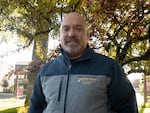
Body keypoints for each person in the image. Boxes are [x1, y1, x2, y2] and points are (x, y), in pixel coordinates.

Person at [28, 12, 138, 113]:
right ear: (60, 36)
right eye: (66, 29)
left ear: (87, 35)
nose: (71, 34)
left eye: (78, 29)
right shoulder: (45, 72)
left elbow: (127, 109)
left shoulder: (109, 68)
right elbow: (35, 109)